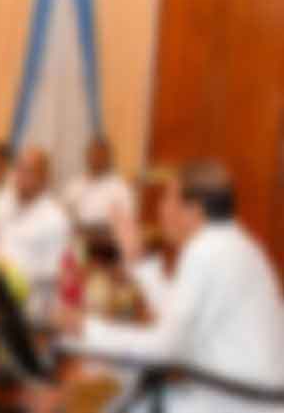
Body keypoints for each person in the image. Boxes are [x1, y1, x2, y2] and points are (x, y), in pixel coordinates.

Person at [55, 161, 284, 413]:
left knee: (108, 395)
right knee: (118, 390)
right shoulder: (236, 244)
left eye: (168, 200)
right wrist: (138, 259)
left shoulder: (206, 251)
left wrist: (87, 328)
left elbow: (165, 347)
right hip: (243, 396)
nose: (161, 210)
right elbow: (175, 318)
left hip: (232, 399)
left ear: (193, 210)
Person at [0, 147, 70, 320]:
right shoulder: (0, 203)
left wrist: (10, 275)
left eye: (29, 172)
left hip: (31, 307)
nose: (21, 177)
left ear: (44, 178)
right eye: (18, 170)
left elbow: (52, 276)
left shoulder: (55, 219)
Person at [63, 137, 135, 229]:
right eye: (92, 154)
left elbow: (125, 224)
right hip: (76, 233)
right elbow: (63, 212)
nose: (95, 159)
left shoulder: (119, 188)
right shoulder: (75, 184)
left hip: (104, 235)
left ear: (109, 159)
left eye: (99, 155)